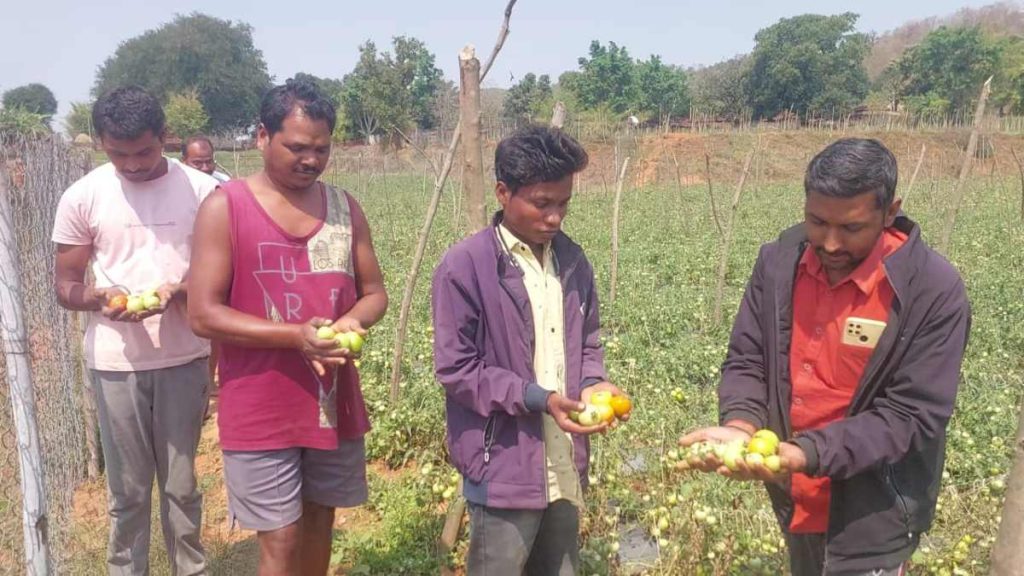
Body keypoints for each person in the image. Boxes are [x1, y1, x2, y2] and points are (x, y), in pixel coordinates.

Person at [680, 138, 971, 576]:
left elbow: (911, 415)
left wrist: (805, 453)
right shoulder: (779, 262)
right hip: (793, 495)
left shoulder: (932, 290)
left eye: (851, 228)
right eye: (817, 222)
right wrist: (740, 424)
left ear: (890, 212)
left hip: (873, 509)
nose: (830, 243)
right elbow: (749, 359)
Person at [187, 78, 387, 576]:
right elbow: (202, 313)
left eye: (321, 149)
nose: (311, 160)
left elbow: (375, 294)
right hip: (260, 402)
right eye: (297, 147)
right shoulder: (225, 208)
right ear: (262, 137)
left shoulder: (344, 209)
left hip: (330, 401)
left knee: (320, 522)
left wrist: (348, 322)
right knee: (281, 537)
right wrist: (295, 336)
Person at [432, 125, 627, 575]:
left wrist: (595, 384)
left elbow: (588, 343)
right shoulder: (466, 267)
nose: (556, 217)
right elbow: (457, 369)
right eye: (543, 203)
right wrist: (539, 398)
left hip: (564, 457)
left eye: (563, 204)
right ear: (503, 192)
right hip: (502, 462)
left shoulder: (573, 260)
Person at [52, 86, 216, 575]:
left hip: (185, 357)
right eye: (118, 153)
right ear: (102, 143)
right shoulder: (84, 196)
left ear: (163, 137)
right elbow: (64, 285)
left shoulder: (203, 192)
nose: (133, 164)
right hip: (115, 363)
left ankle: (191, 568)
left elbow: (222, 275)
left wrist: (179, 291)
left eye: (144, 151)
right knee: (127, 490)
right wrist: (97, 298)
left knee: (181, 485)